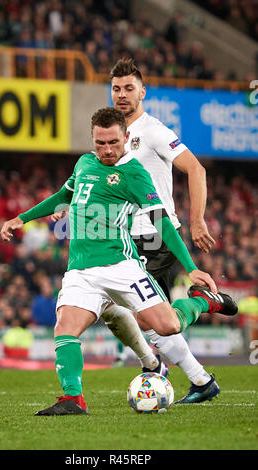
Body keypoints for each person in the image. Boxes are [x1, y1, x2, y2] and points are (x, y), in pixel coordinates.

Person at [0, 107, 237, 416]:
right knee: (66, 328)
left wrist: (191, 268)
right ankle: (74, 399)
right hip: (80, 271)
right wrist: (22, 218)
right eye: (101, 143)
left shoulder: (135, 174)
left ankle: (205, 302)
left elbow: (162, 223)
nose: (107, 150)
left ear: (126, 137)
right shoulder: (85, 163)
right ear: (93, 139)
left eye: (113, 142)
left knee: (166, 326)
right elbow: (63, 196)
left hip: (121, 267)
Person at [99, 57, 221, 404]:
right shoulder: (114, 134)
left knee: (147, 314)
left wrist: (197, 220)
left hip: (154, 232)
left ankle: (175, 365)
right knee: (113, 308)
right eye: (116, 89)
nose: (121, 95)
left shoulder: (153, 130)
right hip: (122, 235)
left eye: (128, 89)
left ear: (142, 92)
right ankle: (183, 373)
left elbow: (196, 170)